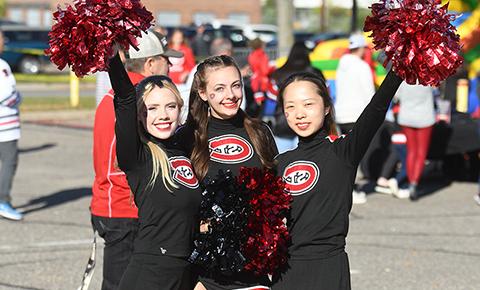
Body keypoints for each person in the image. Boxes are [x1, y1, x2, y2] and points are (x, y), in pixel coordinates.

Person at [272, 70, 402, 290]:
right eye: (290, 106)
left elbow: (376, 109)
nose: (299, 114)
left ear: (326, 107)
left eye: (308, 104)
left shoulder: (343, 153)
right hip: (285, 273)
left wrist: (398, 70)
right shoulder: (278, 163)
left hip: (328, 269)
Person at [90, 30, 184, 290]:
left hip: (112, 205)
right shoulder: (132, 99)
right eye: (167, 60)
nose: (171, 66)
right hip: (124, 209)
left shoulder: (116, 95)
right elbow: (121, 165)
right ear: (151, 64)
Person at [107, 47, 202, 289]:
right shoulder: (138, 156)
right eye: (152, 108)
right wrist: (110, 53)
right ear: (140, 115)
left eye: (170, 106)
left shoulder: (183, 149)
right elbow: (126, 98)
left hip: (186, 271)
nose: (163, 115)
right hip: (151, 273)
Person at [182, 55, 277, 289]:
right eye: (220, 88)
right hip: (204, 275)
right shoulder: (186, 138)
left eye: (236, 85)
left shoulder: (260, 132)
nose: (231, 95)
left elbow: (276, 194)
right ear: (203, 93)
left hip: (253, 272)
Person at [335, 32, 376, 204]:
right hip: (357, 114)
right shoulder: (362, 66)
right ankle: (351, 190)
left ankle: (346, 187)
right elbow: (369, 94)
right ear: (361, 48)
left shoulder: (341, 65)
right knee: (355, 154)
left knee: (346, 152)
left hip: (341, 114)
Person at [270, 41, 325, 153]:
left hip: (283, 124)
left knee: (283, 165)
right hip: (311, 127)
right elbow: (326, 97)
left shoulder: (278, 74)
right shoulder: (316, 73)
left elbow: (271, 99)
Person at [395, 82, 436, 200]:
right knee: (421, 153)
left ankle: (410, 181)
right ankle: (414, 182)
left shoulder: (404, 77)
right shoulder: (429, 77)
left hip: (407, 116)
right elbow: (436, 91)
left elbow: (397, 96)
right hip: (425, 117)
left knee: (411, 151)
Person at [0, 29, 23, 221]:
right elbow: (8, 95)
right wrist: (18, 97)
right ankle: (3, 201)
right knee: (9, 162)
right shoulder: (2, 66)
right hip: (5, 126)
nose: (4, 41)